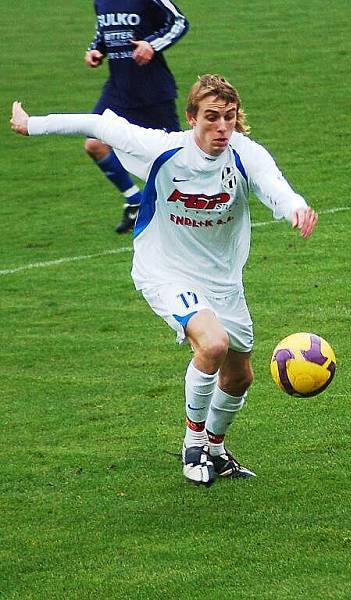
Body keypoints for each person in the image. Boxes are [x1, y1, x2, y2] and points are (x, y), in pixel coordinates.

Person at [11, 74, 319, 484]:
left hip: (223, 281)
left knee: (240, 375)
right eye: (211, 117)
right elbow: (100, 126)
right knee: (212, 343)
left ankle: (216, 450)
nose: (222, 127)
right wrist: (32, 124)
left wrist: (295, 207)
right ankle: (193, 444)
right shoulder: (164, 150)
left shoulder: (245, 154)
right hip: (165, 270)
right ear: (192, 117)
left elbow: (273, 185)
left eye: (229, 117)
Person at [85, 0, 189, 233]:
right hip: (118, 91)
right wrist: (95, 49)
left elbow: (180, 22)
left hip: (152, 91)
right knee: (94, 144)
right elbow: (104, 33)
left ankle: (195, 211)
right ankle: (136, 201)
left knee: (175, 160)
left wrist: (151, 44)